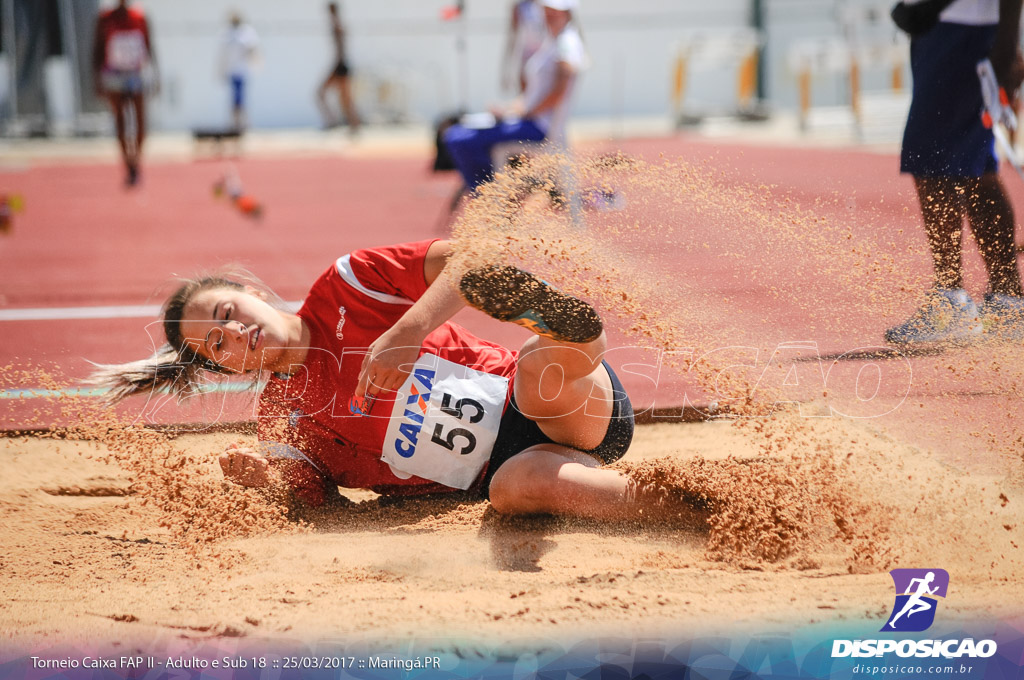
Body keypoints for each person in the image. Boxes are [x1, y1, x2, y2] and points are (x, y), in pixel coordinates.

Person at [91, 239, 706, 522]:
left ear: (250, 293)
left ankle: (576, 340)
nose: (235, 337)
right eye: (216, 346)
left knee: (540, 374)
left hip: (562, 404)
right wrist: (267, 483)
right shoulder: (283, 417)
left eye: (228, 315)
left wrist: (408, 329)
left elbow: (467, 258)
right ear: (221, 368)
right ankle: (705, 511)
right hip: (503, 470)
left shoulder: (348, 283)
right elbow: (316, 504)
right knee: (515, 490)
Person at [885, 0, 1024, 344]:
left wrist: (1007, 43)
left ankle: (953, 301)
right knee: (969, 166)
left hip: (964, 29)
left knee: (933, 161)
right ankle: (1007, 302)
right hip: (943, 27)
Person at [443, 0, 586, 191]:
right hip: (530, 121)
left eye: (555, 11)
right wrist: (510, 109)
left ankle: (489, 198)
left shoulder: (567, 42)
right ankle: (497, 195)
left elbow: (559, 92)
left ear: (568, 13)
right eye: (547, 10)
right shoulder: (552, 40)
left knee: (459, 138)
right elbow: (534, 95)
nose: (549, 15)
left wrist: (526, 113)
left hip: (538, 127)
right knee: (458, 134)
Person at [92, 0, 158, 188]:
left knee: (140, 121)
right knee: (120, 121)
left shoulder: (140, 17)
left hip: (136, 73)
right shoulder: (105, 18)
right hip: (113, 74)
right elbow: (97, 48)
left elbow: (149, 46)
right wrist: (97, 79)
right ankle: (127, 163)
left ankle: (136, 158)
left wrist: (155, 75)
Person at [316, 2, 361, 134]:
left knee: (336, 97)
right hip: (341, 65)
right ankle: (350, 125)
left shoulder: (338, 27)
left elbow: (341, 51)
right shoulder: (339, 26)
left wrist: (337, 66)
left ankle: (338, 122)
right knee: (344, 99)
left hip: (340, 66)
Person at [219, 11, 260, 132]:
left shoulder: (246, 32)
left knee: (241, 99)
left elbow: (253, 49)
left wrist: (254, 62)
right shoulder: (227, 33)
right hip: (232, 72)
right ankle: (235, 123)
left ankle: (242, 123)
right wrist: (222, 71)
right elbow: (222, 55)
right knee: (234, 99)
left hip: (242, 71)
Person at [502, 0, 547, 95]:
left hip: (545, 58)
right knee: (526, 96)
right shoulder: (520, 7)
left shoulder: (550, 5)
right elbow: (512, 39)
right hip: (526, 59)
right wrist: (507, 71)